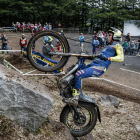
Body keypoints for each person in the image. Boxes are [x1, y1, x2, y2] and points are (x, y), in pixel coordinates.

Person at [64, 27, 124, 106]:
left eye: (109, 35)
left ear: (115, 37)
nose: (107, 37)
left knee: (79, 74)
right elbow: (98, 56)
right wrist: (89, 57)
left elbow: (121, 58)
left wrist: (108, 58)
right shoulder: (107, 47)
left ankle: (75, 98)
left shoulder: (117, 45)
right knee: (74, 67)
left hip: (100, 67)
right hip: (93, 64)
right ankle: (69, 89)